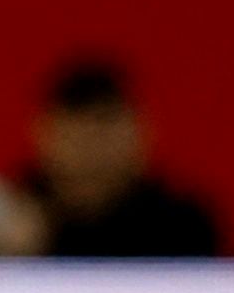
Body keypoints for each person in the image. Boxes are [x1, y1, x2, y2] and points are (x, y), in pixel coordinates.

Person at [20, 57, 222, 258]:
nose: (92, 148)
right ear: (42, 133)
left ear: (141, 132)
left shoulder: (183, 227)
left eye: (105, 127)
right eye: (76, 132)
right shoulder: (9, 217)